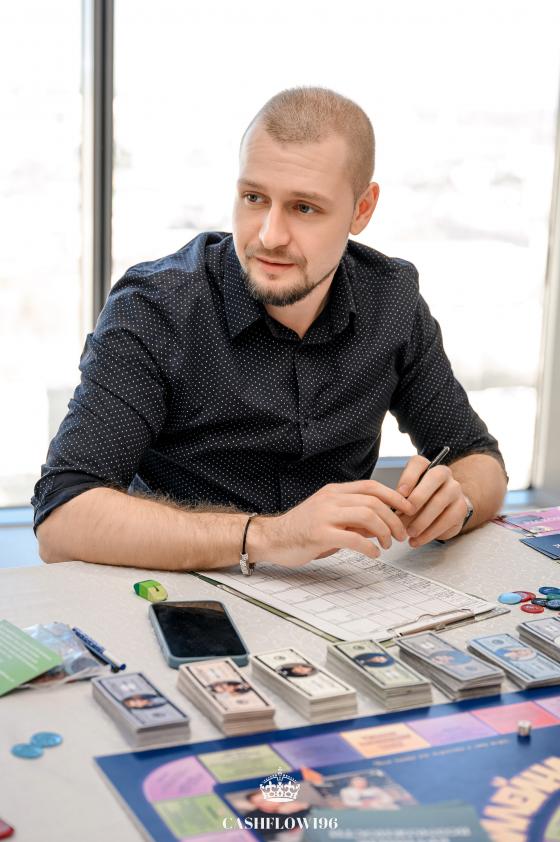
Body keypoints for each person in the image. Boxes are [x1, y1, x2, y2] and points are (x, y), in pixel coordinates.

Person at [33, 86, 507, 572]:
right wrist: (268, 537)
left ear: (362, 210)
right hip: (185, 591)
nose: (269, 236)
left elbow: (479, 458)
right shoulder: (159, 308)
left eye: (304, 208)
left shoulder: (391, 300)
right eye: (254, 198)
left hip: (343, 594)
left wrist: (459, 500)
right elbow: (62, 516)